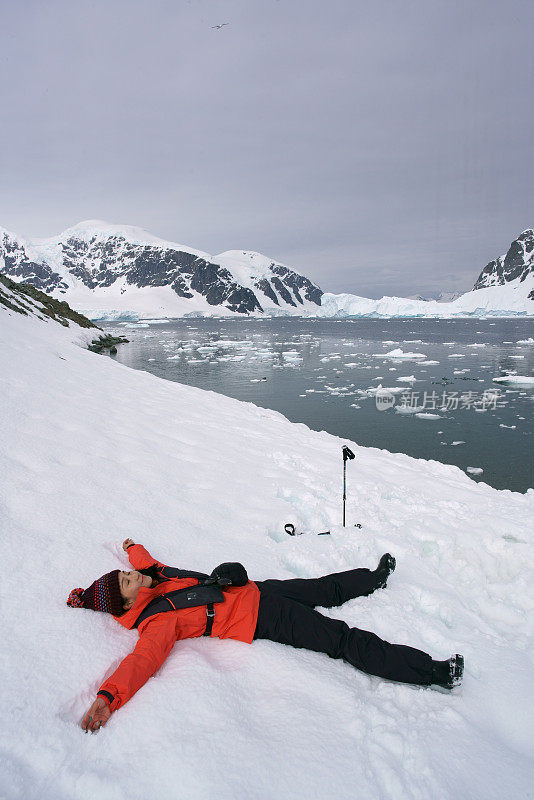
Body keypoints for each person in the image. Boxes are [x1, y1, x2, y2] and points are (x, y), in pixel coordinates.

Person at [68, 540, 464, 732]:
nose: (132, 574)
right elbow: (142, 661)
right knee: (341, 639)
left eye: (125, 572)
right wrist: (108, 697)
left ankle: (373, 578)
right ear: (126, 602)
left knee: (322, 588)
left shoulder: (158, 579)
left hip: (255, 588)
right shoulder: (157, 622)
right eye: (126, 580)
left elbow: (148, 562)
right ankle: (432, 672)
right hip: (262, 617)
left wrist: (131, 547)